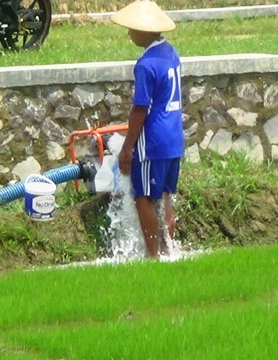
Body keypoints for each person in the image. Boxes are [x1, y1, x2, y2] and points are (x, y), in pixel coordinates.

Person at [110, 0, 184, 258]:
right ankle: (168, 250)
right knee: (165, 197)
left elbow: (140, 109)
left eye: (132, 28)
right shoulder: (170, 52)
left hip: (152, 142)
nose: (129, 33)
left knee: (143, 197)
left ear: (145, 30)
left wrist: (127, 148)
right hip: (174, 139)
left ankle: (152, 257)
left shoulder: (146, 64)